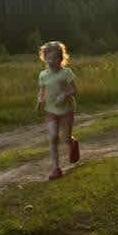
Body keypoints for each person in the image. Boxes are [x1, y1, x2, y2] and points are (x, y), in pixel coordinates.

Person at [36, 40, 80, 179]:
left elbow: (74, 90)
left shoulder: (66, 73)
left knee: (65, 138)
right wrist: (40, 100)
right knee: (53, 137)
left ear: (61, 59)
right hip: (50, 111)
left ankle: (72, 144)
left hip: (67, 110)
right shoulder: (43, 75)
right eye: (48, 57)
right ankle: (56, 168)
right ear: (44, 57)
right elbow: (42, 91)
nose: (51, 61)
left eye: (54, 58)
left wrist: (65, 94)